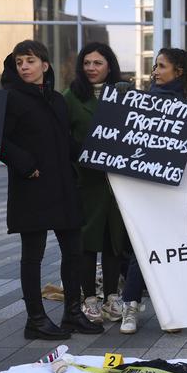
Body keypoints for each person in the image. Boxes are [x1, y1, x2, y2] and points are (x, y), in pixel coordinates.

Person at [0, 40, 103, 340]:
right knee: (33, 255)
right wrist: (25, 164)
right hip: (31, 187)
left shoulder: (56, 99)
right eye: (19, 62)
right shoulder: (11, 99)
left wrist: (97, 154)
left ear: (44, 65)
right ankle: (35, 320)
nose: (24, 67)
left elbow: (65, 142)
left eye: (30, 61)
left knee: (74, 250)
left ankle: (72, 313)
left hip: (62, 186)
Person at [120, 47, 187, 334]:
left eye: (161, 66)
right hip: (147, 189)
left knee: (176, 249)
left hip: (182, 188)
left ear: (179, 71)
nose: (155, 71)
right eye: (155, 66)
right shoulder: (142, 102)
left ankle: (173, 311)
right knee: (143, 247)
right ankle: (130, 305)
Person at [64, 43, 128, 324]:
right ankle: (89, 299)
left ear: (109, 66)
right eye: (86, 63)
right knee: (87, 243)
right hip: (87, 181)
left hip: (117, 182)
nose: (91, 68)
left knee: (114, 241)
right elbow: (64, 138)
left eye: (97, 63)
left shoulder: (124, 94)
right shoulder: (70, 97)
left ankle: (112, 296)